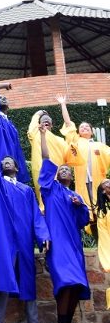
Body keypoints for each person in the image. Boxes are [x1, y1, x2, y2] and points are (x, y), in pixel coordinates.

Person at [0, 115, 55, 323]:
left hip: (25, 239)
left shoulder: (27, 190)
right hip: (5, 239)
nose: (6, 162)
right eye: (4, 162)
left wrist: (44, 236)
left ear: (17, 168)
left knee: (28, 281)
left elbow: (38, 217)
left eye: (10, 161)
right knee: (2, 280)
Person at [38, 123, 90, 323]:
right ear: (57, 176)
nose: (65, 170)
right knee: (66, 281)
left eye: (68, 169)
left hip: (74, 245)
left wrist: (80, 206)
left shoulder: (74, 196)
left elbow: (82, 221)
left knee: (77, 284)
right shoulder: (51, 190)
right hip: (58, 245)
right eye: (62, 169)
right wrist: (43, 136)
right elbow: (45, 160)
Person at [57, 95, 110, 225]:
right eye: (82, 127)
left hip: (98, 181)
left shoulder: (100, 146)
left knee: (101, 207)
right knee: (85, 208)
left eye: (87, 127)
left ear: (92, 132)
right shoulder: (76, 141)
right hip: (82, 181)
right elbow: (69, 124)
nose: (84, 128)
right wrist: (63, 105)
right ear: (79, 132)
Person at [0, 83, 29, 184]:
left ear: (8, 106)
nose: (3, 98)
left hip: (13, 161)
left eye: (5, 98)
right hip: (1, 159)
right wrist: (4, 85)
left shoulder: (10, 123)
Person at [28, 101, 69, 205]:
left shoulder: (60, 140)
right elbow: (33, 122)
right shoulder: (35, 134)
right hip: (40, 170)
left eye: (48, 120)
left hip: (57, 172)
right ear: (38, 124)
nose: (46, 120)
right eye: (43, 120)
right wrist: (39, 112)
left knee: (59, 197)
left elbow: (68, 155)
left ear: (52, 125)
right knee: (44, 198)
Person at [95, 179, 110, 274]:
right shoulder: (103, 212)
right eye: (106, 183)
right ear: (103, 191)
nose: (109, 182)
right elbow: (104, 236)